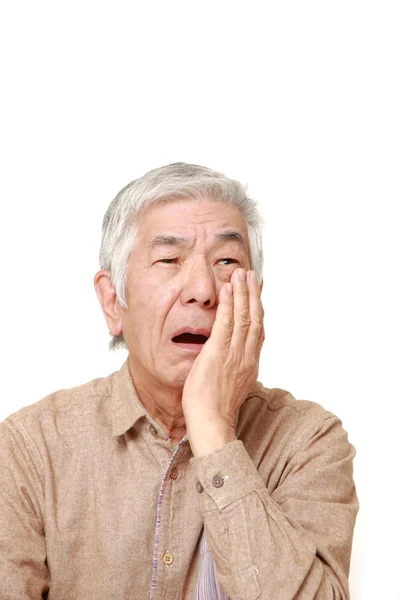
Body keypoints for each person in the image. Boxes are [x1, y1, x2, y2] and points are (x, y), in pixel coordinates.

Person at [0, 163, 358, 599]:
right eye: (169, 260)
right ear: (113, 301)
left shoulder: (308, 441)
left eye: (227, 261)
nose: (204, 290)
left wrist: (213, 428)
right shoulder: (31, 448)